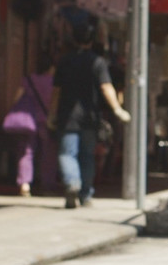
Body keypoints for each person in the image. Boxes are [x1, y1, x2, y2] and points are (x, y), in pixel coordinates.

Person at [48, 21, 131, 209]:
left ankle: (71, 183)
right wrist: (117, 109)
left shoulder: (64, 61)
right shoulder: (98, 62)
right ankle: (85, 194)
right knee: (87, 156)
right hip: (89, 117)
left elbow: (56, 92)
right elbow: (106, 87)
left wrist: (51, 113)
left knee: (67, 153)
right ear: (92, 40)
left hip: (67, 116)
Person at [4, 61, 56, 196]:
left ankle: (24, 184)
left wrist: (12, 109)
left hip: (27, 121)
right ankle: (47, 184)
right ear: (51, 68)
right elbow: (55, 100)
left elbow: (17, 97)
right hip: (46, 120)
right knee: (47, 154)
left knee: (26, 152)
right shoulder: (53, 81)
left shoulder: (28, 79)